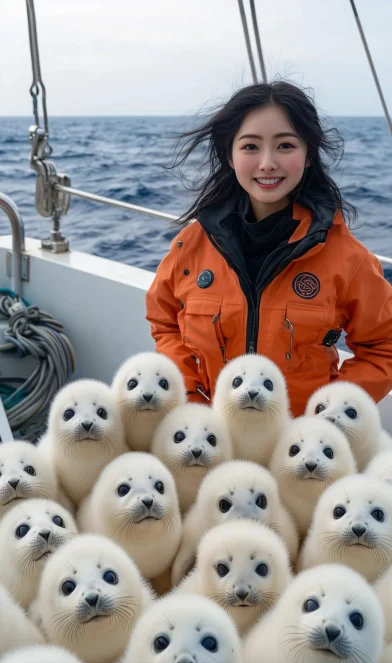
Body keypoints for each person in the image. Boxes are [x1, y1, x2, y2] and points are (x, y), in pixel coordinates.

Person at [145, 81, 392, 416]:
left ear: (308, 156)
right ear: (229, 156)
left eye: (285, 145)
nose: (267, 163)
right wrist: (189, 395)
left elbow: (385, 345)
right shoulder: (191, 246)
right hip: (210, 436)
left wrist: (330, 415)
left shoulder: (347, 259)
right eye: (250, 147)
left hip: (302, 449)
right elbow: (165, 320)